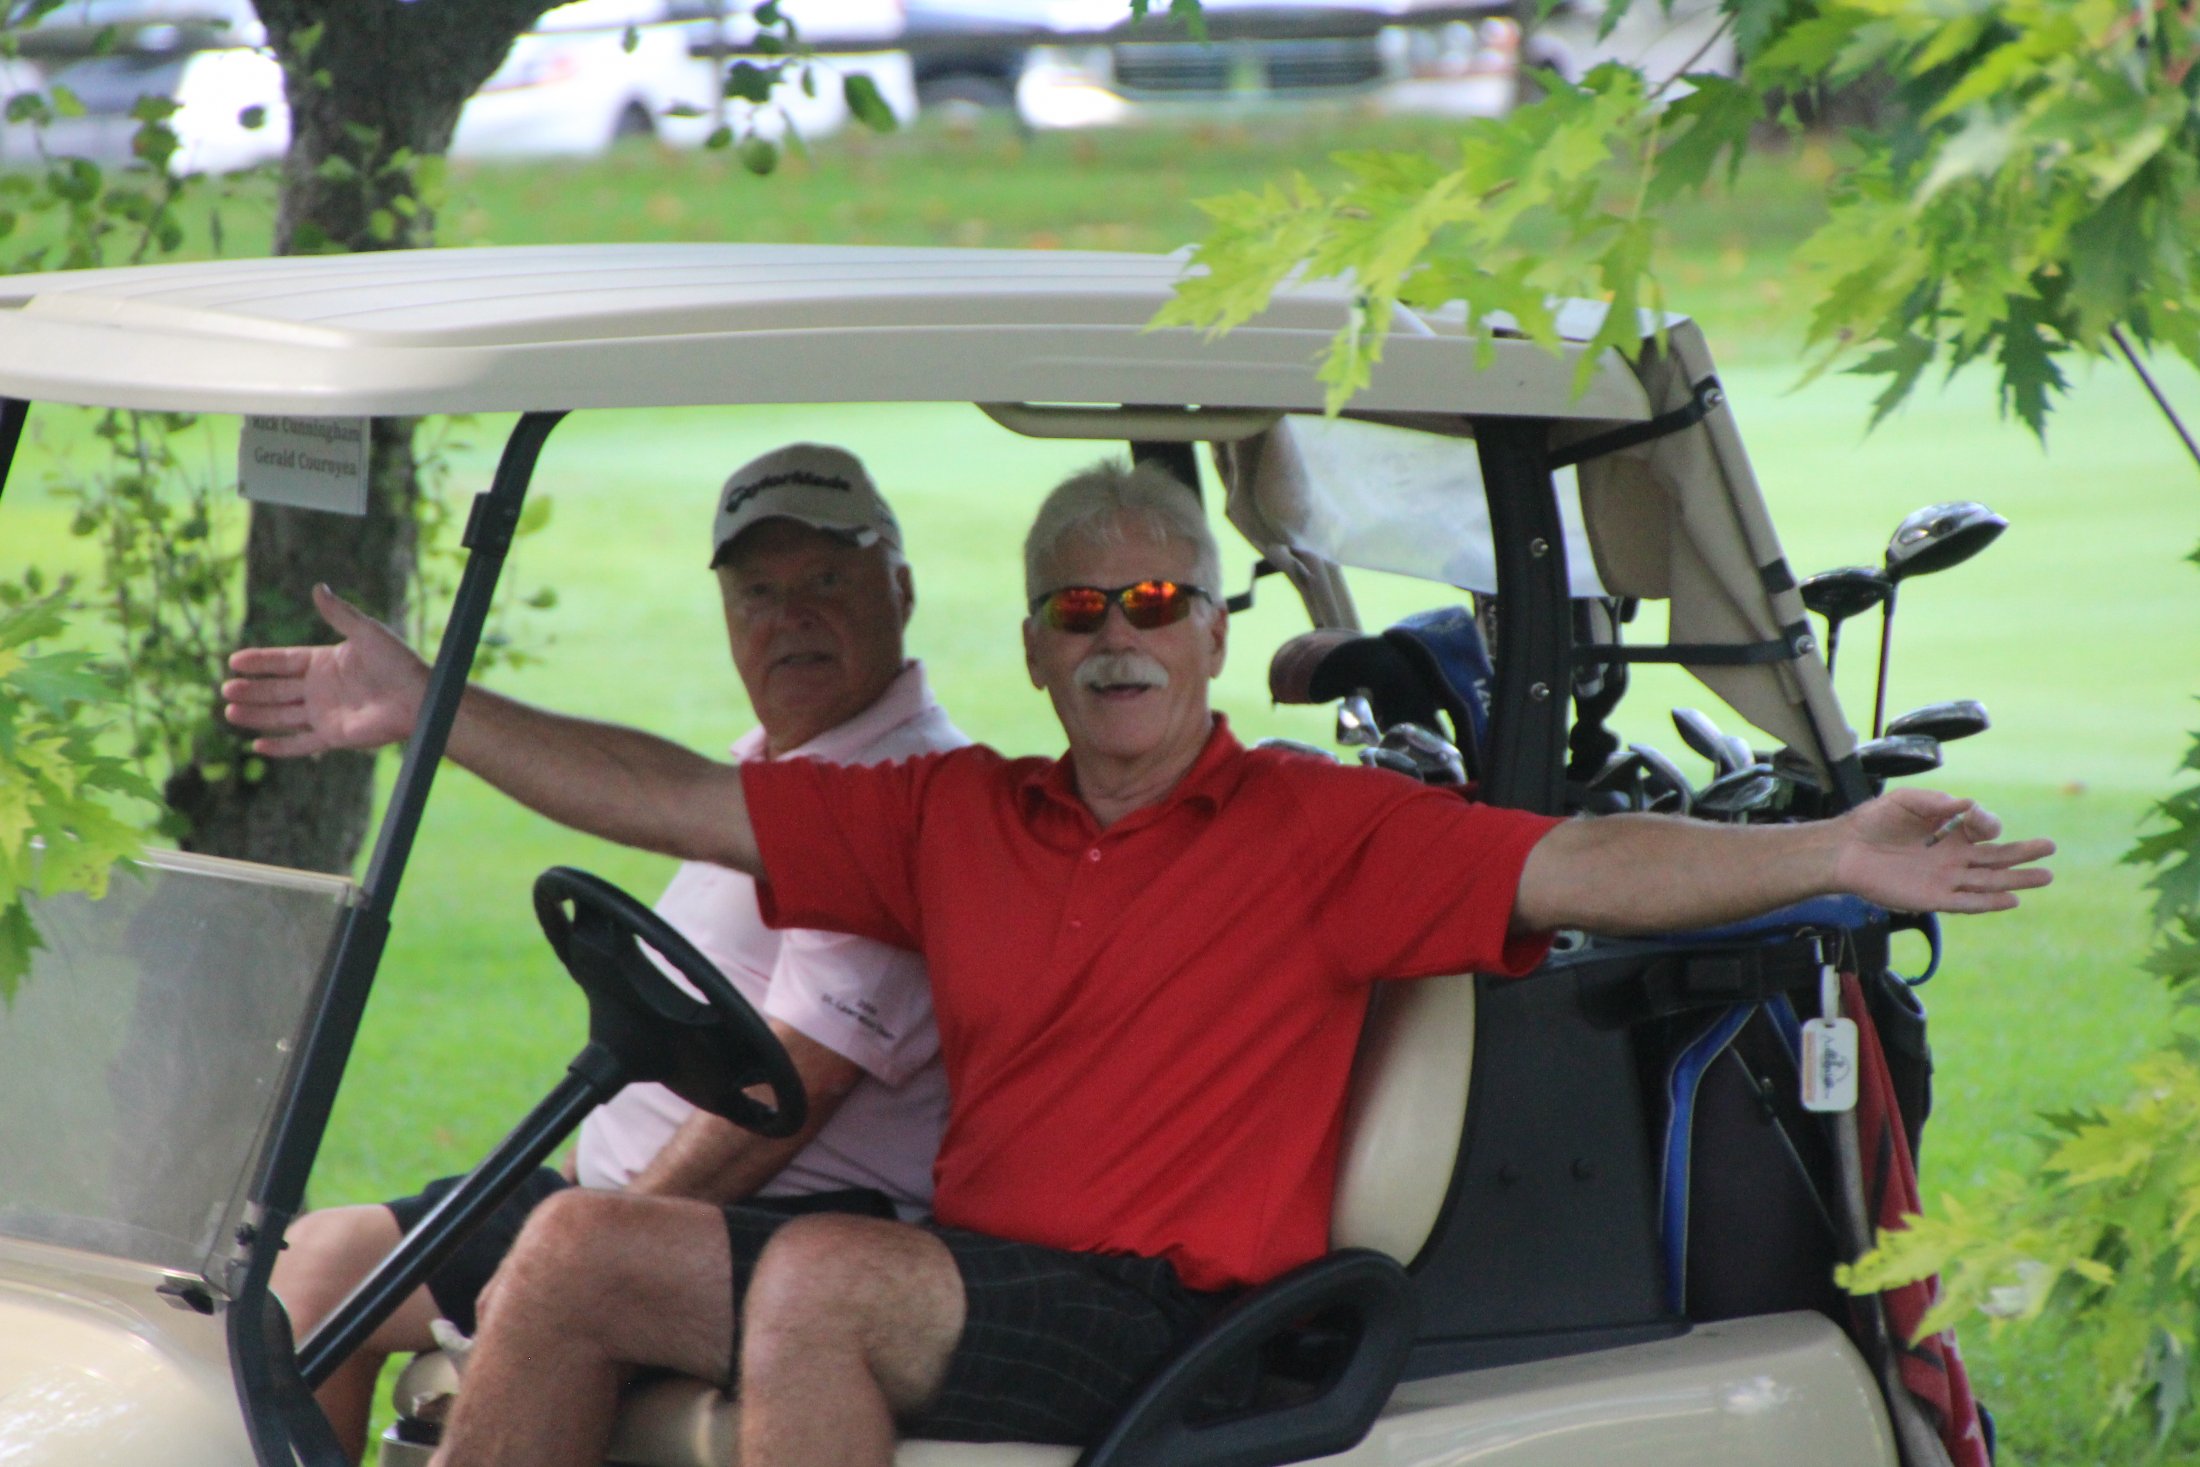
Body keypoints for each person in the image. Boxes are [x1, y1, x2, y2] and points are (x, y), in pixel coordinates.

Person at [225, 459, 2054, 1467]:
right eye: (1082, 609)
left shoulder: (1319, 827)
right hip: (978, 1280)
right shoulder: (955, 815)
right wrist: (428, 704)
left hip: (1182, 1310)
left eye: (1158, 604)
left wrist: (1832, 848)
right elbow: (678, 794)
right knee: (567, 1247)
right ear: (1036, 645)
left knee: (823, 1286)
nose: (1120, 637)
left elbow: (1581, 859)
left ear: (1211, 635)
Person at [263, 443, 968, 1461]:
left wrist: (581, 1242)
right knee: (315, 1268)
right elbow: (632, 785)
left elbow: (800, 1086)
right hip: (635, 1207)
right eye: (759, 592)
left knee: (546, 1279)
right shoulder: (764, 776)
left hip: (779, 1223)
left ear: (898, 589)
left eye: (826, 580)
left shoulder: (910, 792)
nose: (791, 617)